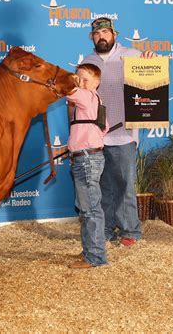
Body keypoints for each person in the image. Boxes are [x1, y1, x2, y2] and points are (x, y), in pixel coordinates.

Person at [81, 17, 156, 247]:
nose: (101, 36)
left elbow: (151, 80)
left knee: (125, 184)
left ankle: (130, 231)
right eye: (96, 34)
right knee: (103, 186)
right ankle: (105, 229)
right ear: (92, 38)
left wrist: (149, 62)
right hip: (97, 135)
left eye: (105, 32)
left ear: (115, 34)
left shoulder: (132, 56)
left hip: (123, 132)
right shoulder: (87, 62)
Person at [67, 64, 108, 269]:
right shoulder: (95, 102)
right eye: (79, 79)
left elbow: (69, 90)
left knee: (90, 210)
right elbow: (105, 128)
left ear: (96, 83)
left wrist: (73, 83)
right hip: (86, 158)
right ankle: (90, 251)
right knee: (87, 209)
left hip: (87, 160)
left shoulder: (87, 97)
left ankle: (95, 258)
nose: (81, 83)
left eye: (85, 79)